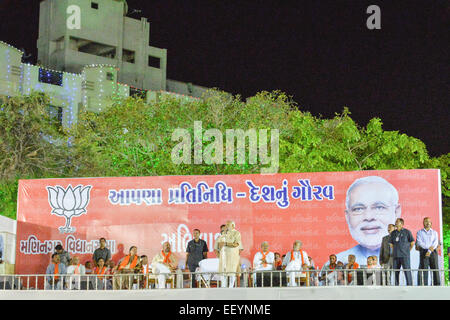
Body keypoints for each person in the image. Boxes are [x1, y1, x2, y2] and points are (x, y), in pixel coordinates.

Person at [336, 176, 402, 265]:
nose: (369, 217)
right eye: (358, 209)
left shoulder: (414, 260)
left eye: (379, 207)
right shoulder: (340, 260)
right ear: (347, 216)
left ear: (396, 212)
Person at [390, 218, 415, 286]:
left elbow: (412, 242)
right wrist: (396, 250)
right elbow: (391, 244)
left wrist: (407, 250)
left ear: (402, 224)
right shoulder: (393, 233)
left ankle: (410, 286)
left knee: (407, 271)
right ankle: (396, 286)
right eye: (395, 222)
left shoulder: (407, 232)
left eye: (397, 222)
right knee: (395, 272)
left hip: (405, 256)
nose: (395, 223)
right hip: (395, 256)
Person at [416, 217, 440, 286]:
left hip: (433, 252)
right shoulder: (419, 232)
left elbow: (435, 243)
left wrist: (429, 251)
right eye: (426, 221)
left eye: (429, 221)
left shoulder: (434, 232)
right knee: (424, 269)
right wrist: (428, 249)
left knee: (435, 268)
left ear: (431, 223)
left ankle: (437, 285)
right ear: (423, 223)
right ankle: (425, 285)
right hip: (424, 252)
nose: (427, 223)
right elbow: (420, 242)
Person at [218, 220, 242, 288]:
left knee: (232, 272)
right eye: (226, 225)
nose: (226, 226)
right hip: (224, 256)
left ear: (233, 226)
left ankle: (231, 287)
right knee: (223, 273)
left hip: (232, 256)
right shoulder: (224, 234)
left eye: (228, 224)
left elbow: (236, 244)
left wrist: (226, 244)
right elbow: (220, 244)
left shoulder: (237, 233)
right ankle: (223, 287)